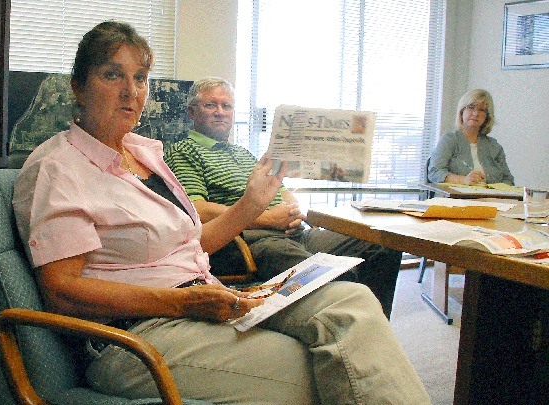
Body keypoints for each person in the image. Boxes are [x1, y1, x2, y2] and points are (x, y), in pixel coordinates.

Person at [12, 21, 430, 404]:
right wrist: (181, 303)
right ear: (78, 87)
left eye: (140, 78)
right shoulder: (59, 168)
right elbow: (61, 290)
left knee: (350, 302)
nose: (131, 91)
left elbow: (188, 244)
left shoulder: (143, 153)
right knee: (325, 368)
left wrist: (251, 205)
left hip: (207, 297)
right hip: (135, 335)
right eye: (112, 74)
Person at [165, 77, 402, 318]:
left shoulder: (244, 153)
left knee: (381, 246)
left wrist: (292, 208)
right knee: (333, 276)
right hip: (252, 241)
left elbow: (282, 191)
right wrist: (267, 218)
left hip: (293, 232)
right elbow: (197, 210)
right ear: (192, 112)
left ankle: (375, 326)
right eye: (210, 105)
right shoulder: (183, 151)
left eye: (227, 106)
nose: (220, 112)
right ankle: (353, 323)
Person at [428, 89, 514, 186]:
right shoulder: (449, 140)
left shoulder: (494, 146)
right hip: (456, 199)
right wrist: (463, 180)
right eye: (471, 107)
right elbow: (434, 172)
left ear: (487, 116)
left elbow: (508, 180)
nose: (476, 113)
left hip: (491, 199)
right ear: (462, 112)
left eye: (481, 110)